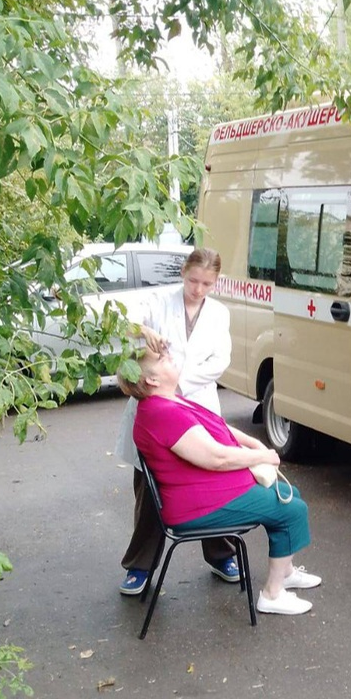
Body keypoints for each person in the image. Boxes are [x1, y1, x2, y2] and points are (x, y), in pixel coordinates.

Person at [118, 347, 321, 615]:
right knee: (292, 509)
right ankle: (272, 595)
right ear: (152, 380)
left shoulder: (168, 402)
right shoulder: (162, 412)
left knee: (289, 492)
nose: (171, 358)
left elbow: (219, 428)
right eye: (163, 360)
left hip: (204, 494)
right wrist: (260, 456)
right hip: (197, 505)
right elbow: (215, 458)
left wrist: (254, 444)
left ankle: (285, 571)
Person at [115, 247, 237, 596]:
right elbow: (123, 324)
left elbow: (220, 360)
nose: (198, 289)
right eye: (193, 280)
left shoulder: (219, 314)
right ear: (183, 272)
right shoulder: (159, 301)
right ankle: (140, 565)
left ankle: (221, 554)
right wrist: (142, 331)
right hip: (154, 408)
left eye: (207, 283)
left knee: (209, 480)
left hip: (196, 403)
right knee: (152, 485)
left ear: (216, 282)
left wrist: (177, 384)